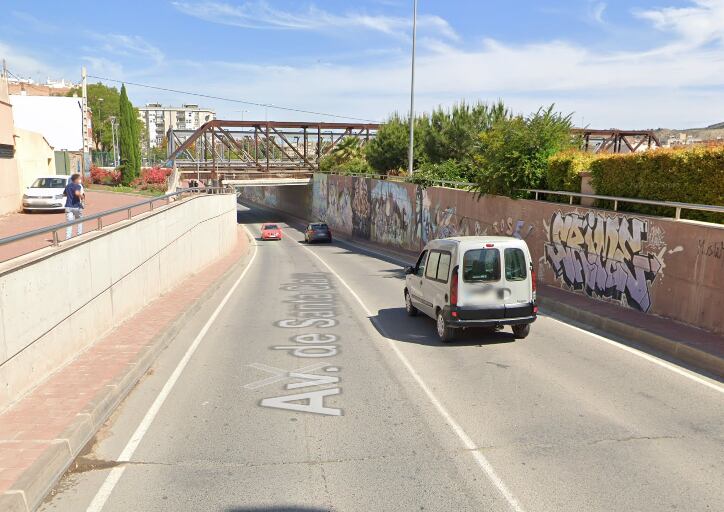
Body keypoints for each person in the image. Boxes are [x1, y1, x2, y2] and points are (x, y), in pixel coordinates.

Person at [64, 174, 84, 240]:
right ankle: (79, 235)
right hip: (76, 206)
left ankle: (68, 238)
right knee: (79, 220)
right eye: (79, 179)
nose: (80, 180)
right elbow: (76, 193)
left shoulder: (67, 186)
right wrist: (81, 196)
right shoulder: (77, 186)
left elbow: (64, 193)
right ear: (76, 180)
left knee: (69, 223)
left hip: (68, 207)